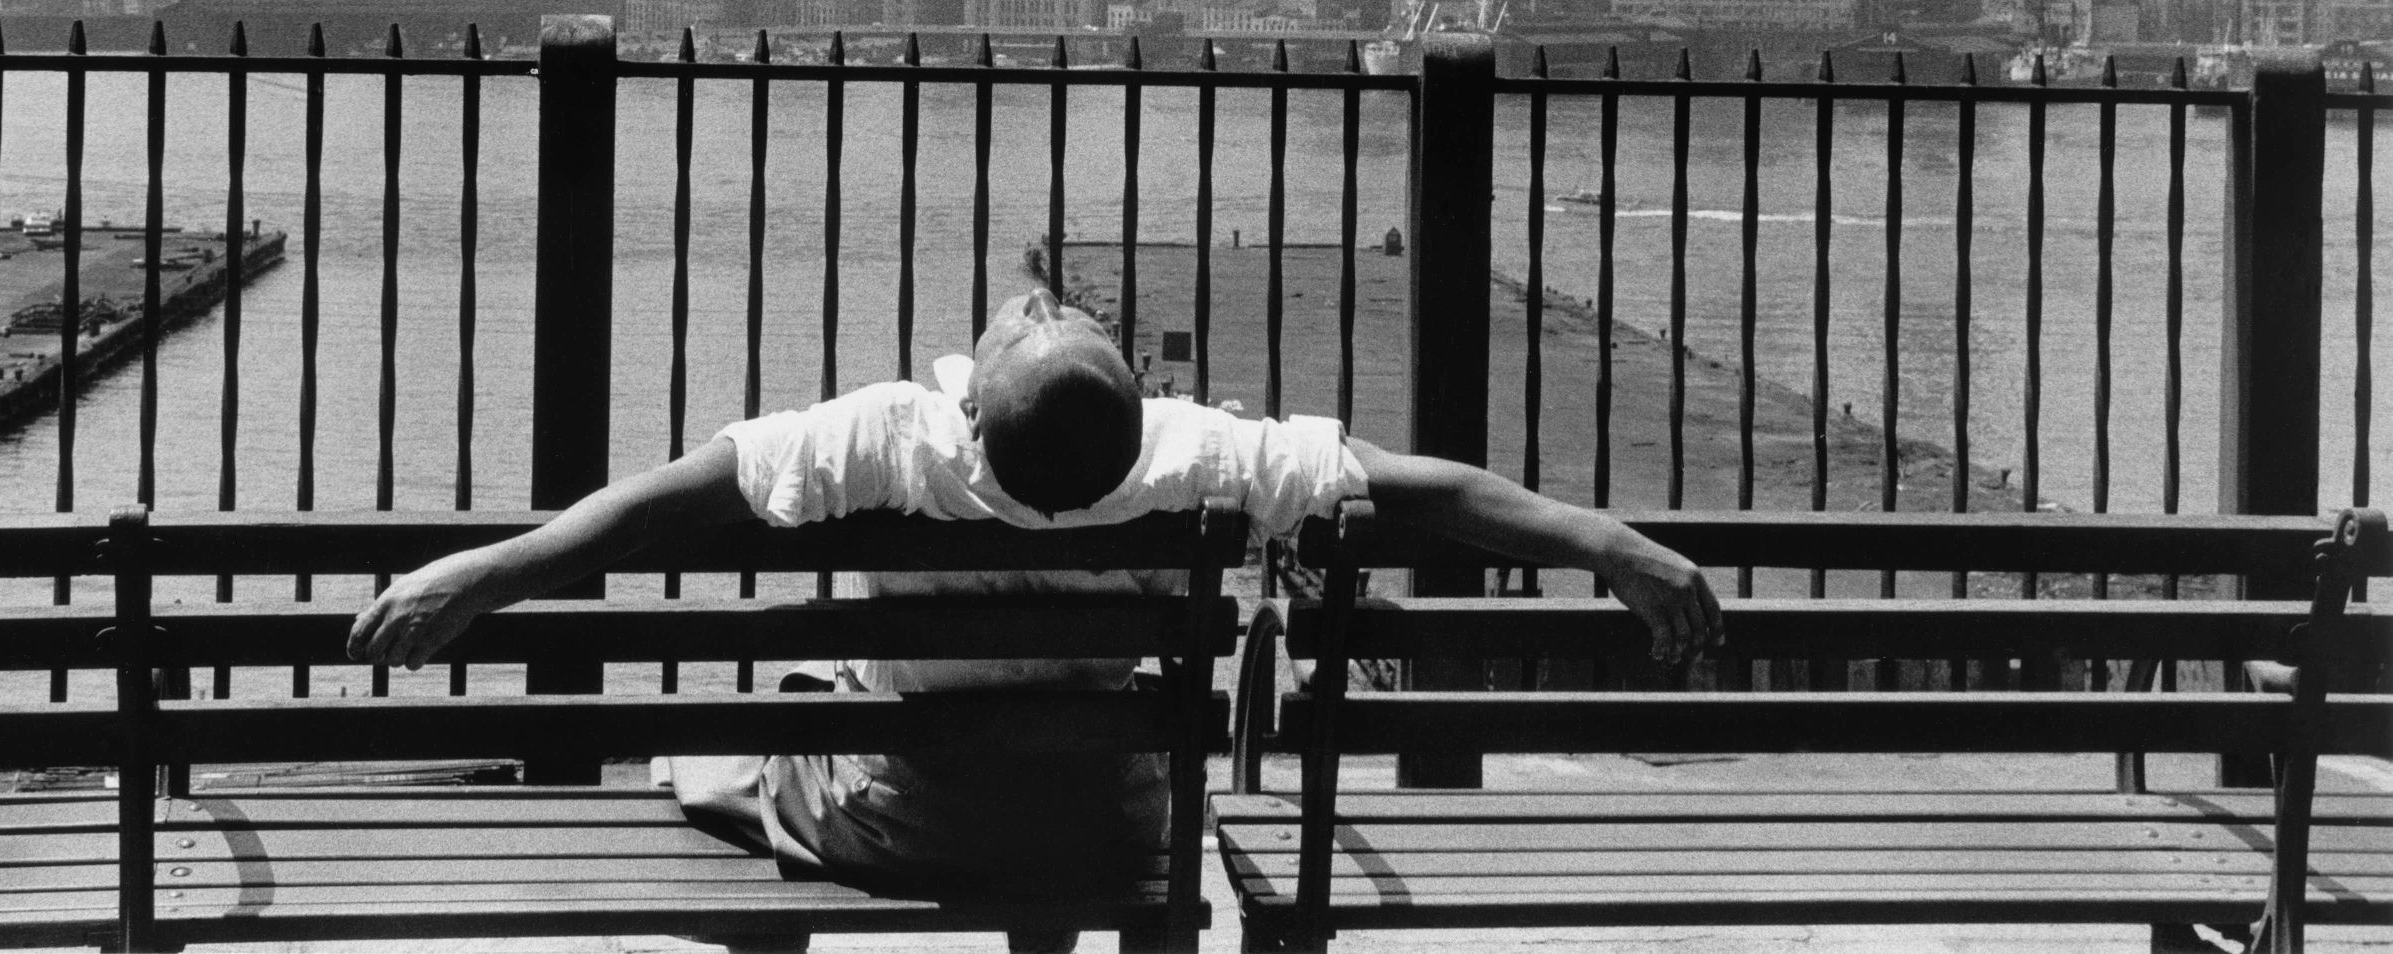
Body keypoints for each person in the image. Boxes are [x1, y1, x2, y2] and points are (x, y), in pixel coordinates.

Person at [349, 288, 1723, 943]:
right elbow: (1426, 488)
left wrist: (481, 571)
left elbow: (664, 502)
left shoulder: (894, 437)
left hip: (914, 819)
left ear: (974, 400)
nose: (1029, 301)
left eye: (1031, 318)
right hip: (1106, 824)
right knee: (1073, 754)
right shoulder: (1185, 456)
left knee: (759, 739)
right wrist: (1610, 544)